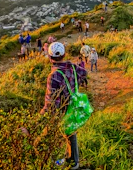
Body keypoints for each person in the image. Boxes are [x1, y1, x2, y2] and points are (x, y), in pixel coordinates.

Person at [41, 42, 87, 170]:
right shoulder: (71, 67)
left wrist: (40, 117)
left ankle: (58, 163)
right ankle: (73, 162)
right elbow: (84, 73)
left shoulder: (54, 76)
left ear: (50, 57)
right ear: (64, 54)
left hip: (62, 111)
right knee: (71, 134)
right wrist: (76, 83)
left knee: (50, 136)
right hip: (73, 107)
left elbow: (50, 103)